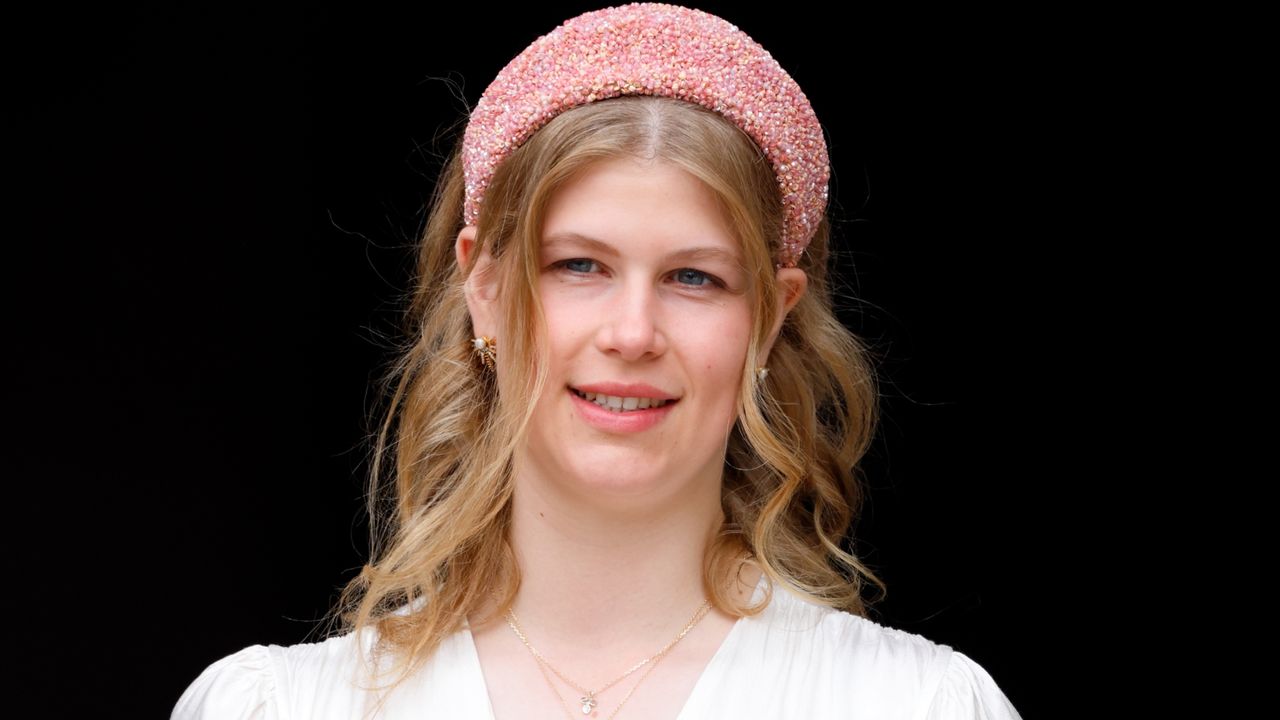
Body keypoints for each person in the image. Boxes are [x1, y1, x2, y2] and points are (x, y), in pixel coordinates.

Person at [173, 3, 1023, 718]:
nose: (632, 332)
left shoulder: (918, 706)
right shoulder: (278, 708)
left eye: (696, 277)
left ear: (771, 319)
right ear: (487, 289)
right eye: (579, 266)